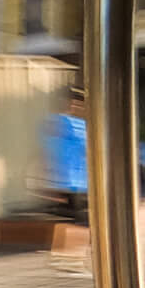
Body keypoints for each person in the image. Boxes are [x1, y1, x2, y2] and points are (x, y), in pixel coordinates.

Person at [44, 86, 89, 220]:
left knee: (73, 212)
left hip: (72, 181)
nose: (74, 106)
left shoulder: (69, 122)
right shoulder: (65, 122)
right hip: (67, 180)